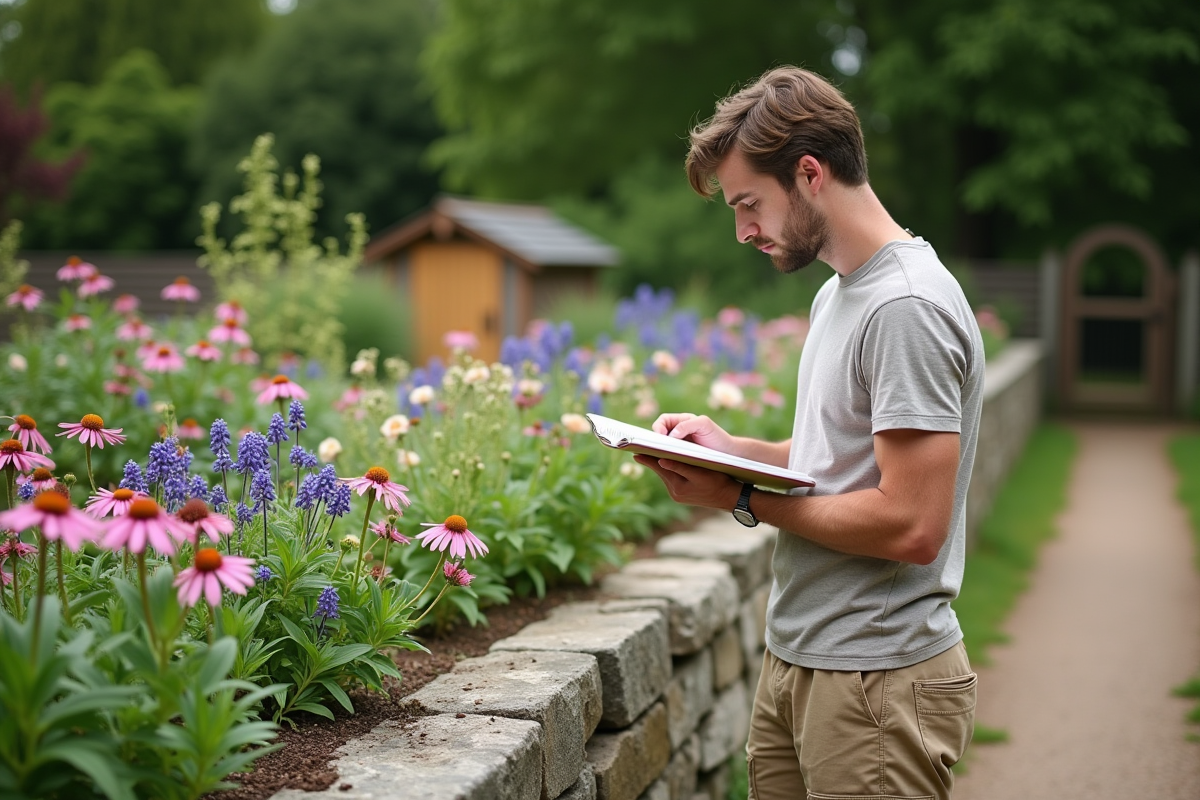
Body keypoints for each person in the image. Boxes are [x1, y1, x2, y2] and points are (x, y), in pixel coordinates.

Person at [634, 66, 984, 800]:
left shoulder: (904, 307)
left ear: (810, 173)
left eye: (749, 204)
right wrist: (734, 451)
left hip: (874, 683)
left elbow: (912, 522)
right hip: (802, 661)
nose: (743, 231)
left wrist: (742, 498)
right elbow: (844, 458)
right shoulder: (840, 294)